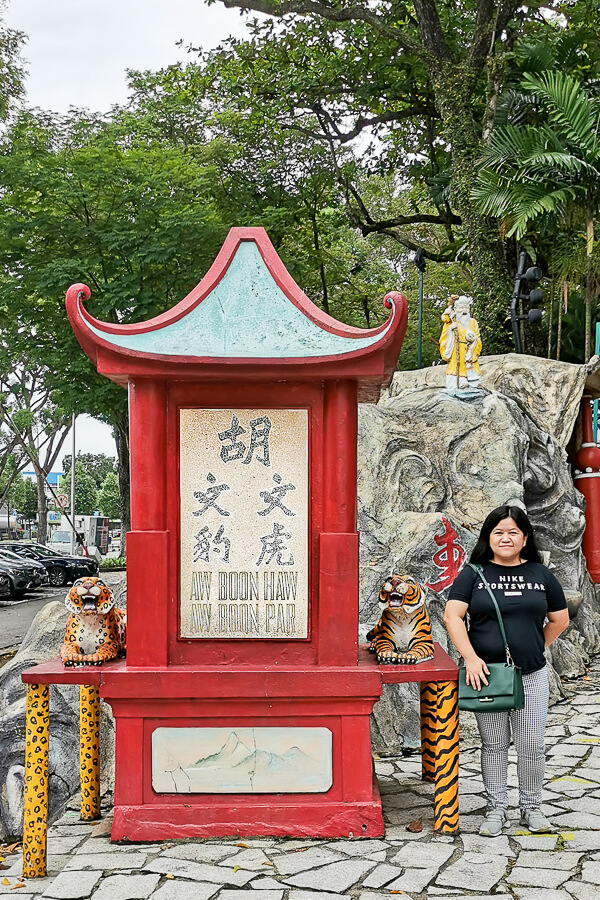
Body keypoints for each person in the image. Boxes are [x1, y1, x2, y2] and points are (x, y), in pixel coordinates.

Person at [443, 505, 569, 836]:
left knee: (532, 745)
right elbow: (452, 616)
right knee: (494, 744)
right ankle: (496, 808)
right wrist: (470, 658)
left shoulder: (541, 574)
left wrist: (536, 646)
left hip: (532, 675)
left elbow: (560, 619)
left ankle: (532, 808)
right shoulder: (474, 573)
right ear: (488, 537)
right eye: (498, 531)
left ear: (525, 537)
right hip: (486, 676)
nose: (506, 537)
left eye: (513, 531)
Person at [439, 294, 482, 390]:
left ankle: (473, 384)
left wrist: (473, 345)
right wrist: (450, 330)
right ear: (456, 309)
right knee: (455, 380)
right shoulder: (452, 322)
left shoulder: (473, 322)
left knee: (474, 380)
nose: (464, 311)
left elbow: (478, 339)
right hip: (456, 355)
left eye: (466, 307)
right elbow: (444, 339)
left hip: (470, 354)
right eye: (460, 308)